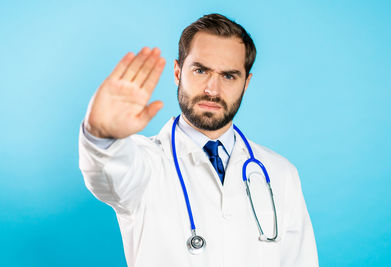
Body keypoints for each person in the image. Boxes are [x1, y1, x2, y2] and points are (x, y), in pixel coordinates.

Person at [79, 13, 318, 267]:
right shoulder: (145, 163)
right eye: (200, 70)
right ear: (177, 72)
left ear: (246, 83)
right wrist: (101, 135)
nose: (212, 90)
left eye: (228, 76)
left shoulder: (280, 174)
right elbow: (108, 170)